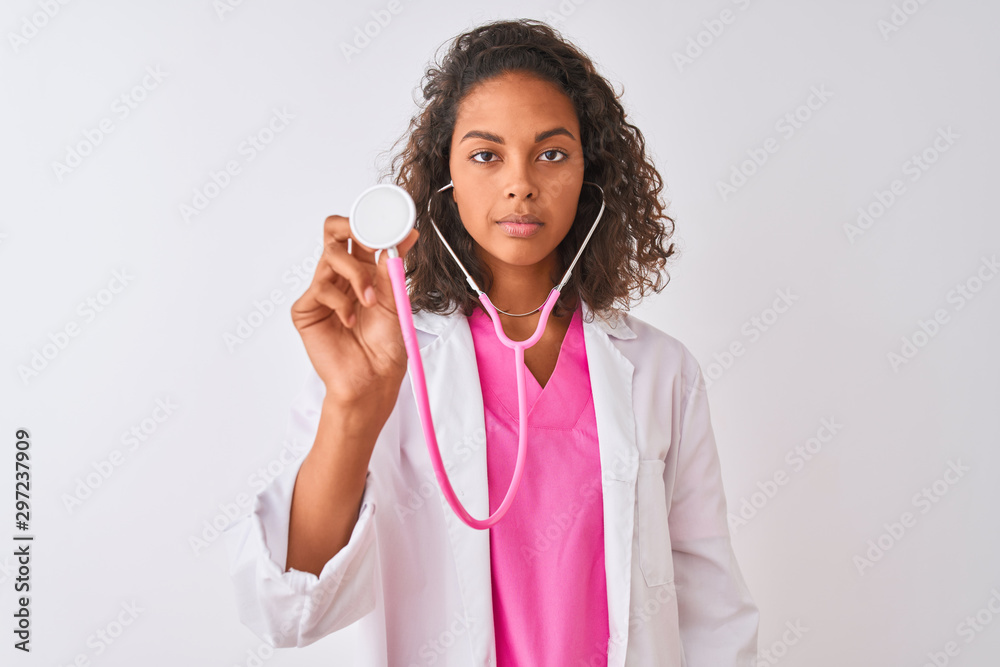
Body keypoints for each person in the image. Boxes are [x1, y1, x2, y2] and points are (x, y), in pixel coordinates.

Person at [224, 18, 759, 667]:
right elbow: (284, 610)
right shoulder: (385, 358)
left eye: (552, 153)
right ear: (442, 176)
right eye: (486, 154)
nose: (520, 182)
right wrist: (353, 405)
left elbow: (712, 610)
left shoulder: (660, 370)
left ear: (594, 172)